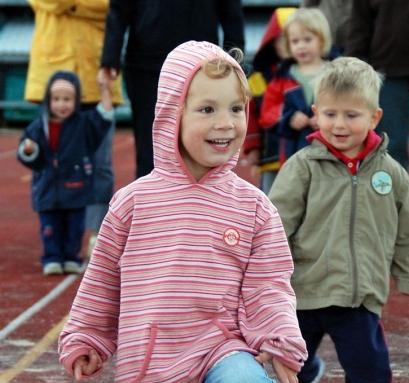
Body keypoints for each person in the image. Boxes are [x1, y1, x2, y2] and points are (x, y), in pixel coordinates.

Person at [58, 40, 307, 383]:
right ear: (172, 114)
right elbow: (103, 280)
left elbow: (269, 285)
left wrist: (277, 341)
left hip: (223, 346)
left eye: (236, 109)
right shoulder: (134, 203)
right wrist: (87, 337)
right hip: (153, 358)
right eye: (207, 109)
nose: (226, 124)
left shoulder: (254, 206)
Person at [269, 57, 409, 383]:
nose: (340, 125)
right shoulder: (303, 167)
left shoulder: (389, 172)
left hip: (359, 291)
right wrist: (265, 272)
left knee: (368, 362)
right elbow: (276, 221)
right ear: (315, 113)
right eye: (331, 114)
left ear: (374, 117)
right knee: (291, 354)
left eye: (352, 115)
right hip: (304, 285)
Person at [98, 1, 245, 179]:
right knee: (150, 146)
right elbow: (119, 11)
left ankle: (207, 200)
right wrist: (109, 59)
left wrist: (234, 65)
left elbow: (232, 14)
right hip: (146, 68)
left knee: (204, 139)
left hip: (203, 71)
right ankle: (150, 202)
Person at [24, 0, 124, 257]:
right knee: (49, 163)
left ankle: (98, 234)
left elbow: (112, 6)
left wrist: (70, 5)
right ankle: (54, 236)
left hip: (95, 71)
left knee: (100, 165)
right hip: (53, 78)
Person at [346, 0, 409, 256]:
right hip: (385, 71)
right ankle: (394, 232)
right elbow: (359, 23)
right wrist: (354, 70)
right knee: (388, 157)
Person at [17, 70, 114, 275]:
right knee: (49, 227)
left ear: (76, 100)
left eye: (68, 99)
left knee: (74, 228)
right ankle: (51, 258)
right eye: (57, 99)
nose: (62, 104)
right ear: (48, 100)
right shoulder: (37, 127)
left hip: (76, 187)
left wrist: (105, 90)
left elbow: (103, 117)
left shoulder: (83, 124)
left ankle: (71, 257)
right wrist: (29, 150)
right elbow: (30, 154)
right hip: (47, 188)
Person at [259, 8, 332, 166]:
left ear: (321, 40)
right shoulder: (281, 77)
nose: (301, 46)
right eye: (295, 41)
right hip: (293, 151)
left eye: (307, 39)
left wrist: (328, 117)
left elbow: (349, 105)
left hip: (331, 150)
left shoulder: (335, 74)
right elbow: (266, 113)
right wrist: (289, 117)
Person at [243, 7, 295, 193]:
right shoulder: (257, 80)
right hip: (271, 155)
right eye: (285, 40)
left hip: (304, 153)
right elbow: (250, 118)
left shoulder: (311, 74)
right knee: (271, 199)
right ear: (274, 43)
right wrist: (253, 148)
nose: (292, 45)